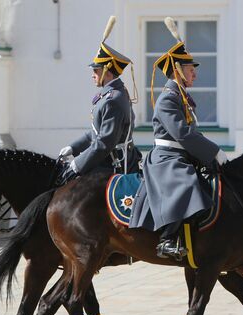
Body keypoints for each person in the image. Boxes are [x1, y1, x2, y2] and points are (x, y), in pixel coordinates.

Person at [139, 17, 228, 259]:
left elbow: (192, 134)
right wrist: (213, 151)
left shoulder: (181, 97)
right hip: (166, 157)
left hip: (180, 154)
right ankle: (167, 239)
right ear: (178, 70)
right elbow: (183, 133)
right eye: (191, 70)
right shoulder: (168, 98)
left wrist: (210, 156)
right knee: (186, 183)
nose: (195, 76)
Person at [58, 16, 141, 184]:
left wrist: (77, 165)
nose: (93, 75)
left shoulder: (113, 99)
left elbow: (105, 142)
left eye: (96, 71)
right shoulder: (112, 94)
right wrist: (74, 148)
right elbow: (96, 132)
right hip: (107, 158)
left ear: (107, 73)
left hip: (113, 164)